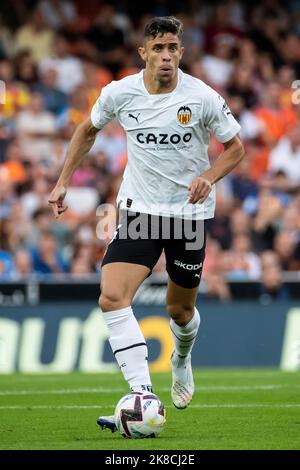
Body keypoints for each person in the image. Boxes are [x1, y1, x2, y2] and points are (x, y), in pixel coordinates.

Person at [48, 16, 244, 432]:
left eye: (173, 48)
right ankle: (143, 391)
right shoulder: (120, 93)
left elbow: (235, 148)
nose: (166, 56)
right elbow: (86, 130)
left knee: (181, 310)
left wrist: (209, 176)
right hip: (140, 211)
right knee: (111, 296)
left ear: (181, 53)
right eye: (158, 49)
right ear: (143, 54)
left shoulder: (203, 97)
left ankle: (182, 358)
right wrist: (63, 181)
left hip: (189, 217)